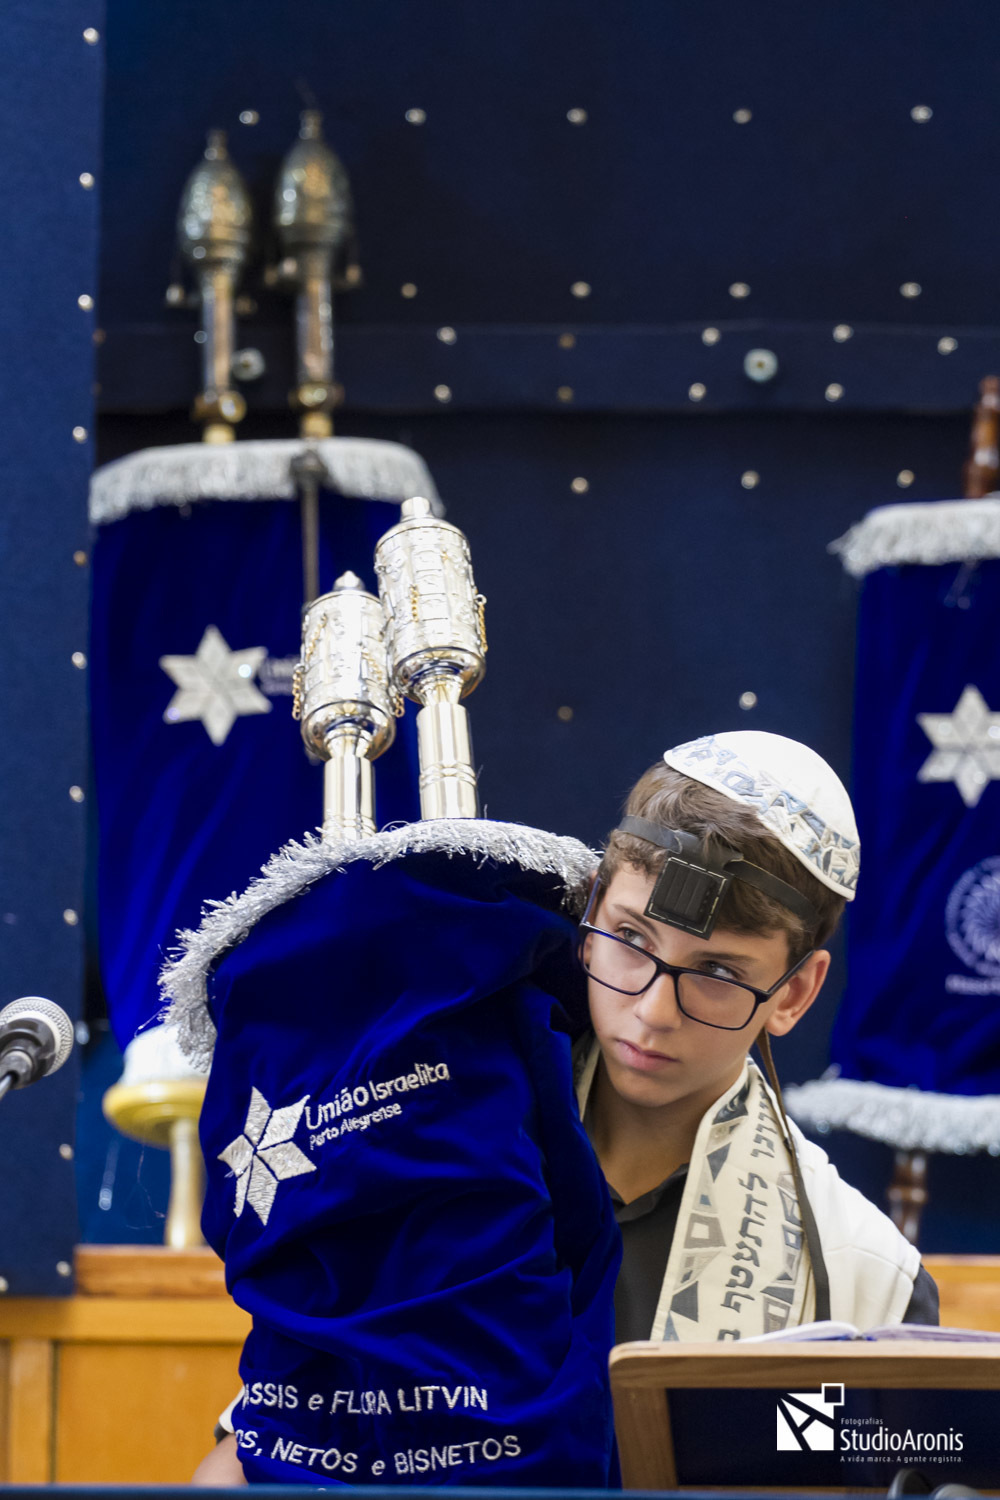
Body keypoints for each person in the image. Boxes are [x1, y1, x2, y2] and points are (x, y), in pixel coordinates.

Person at [193, 728, 936, 1484]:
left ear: (797, 993)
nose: (651, 1011)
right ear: (588, 915)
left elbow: (902, 1462)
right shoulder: (433, 1136)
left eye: (716, 971)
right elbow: (277, 1440)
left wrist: (802, 1435)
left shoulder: (865, 1276)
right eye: (630, 938)